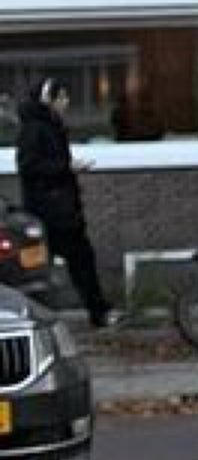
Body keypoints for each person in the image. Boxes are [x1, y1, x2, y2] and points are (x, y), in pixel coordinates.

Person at [13, 77, 107, 328]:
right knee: (78, 260)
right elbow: (29, 166)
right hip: (53, 211)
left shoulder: (50, 125)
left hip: (59, 208)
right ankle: (98, 311)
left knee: (74, 260)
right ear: (49, 100)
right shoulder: (35, 129)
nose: (66, 102)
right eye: (62, 97)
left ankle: (97, 310)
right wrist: (66, 167)